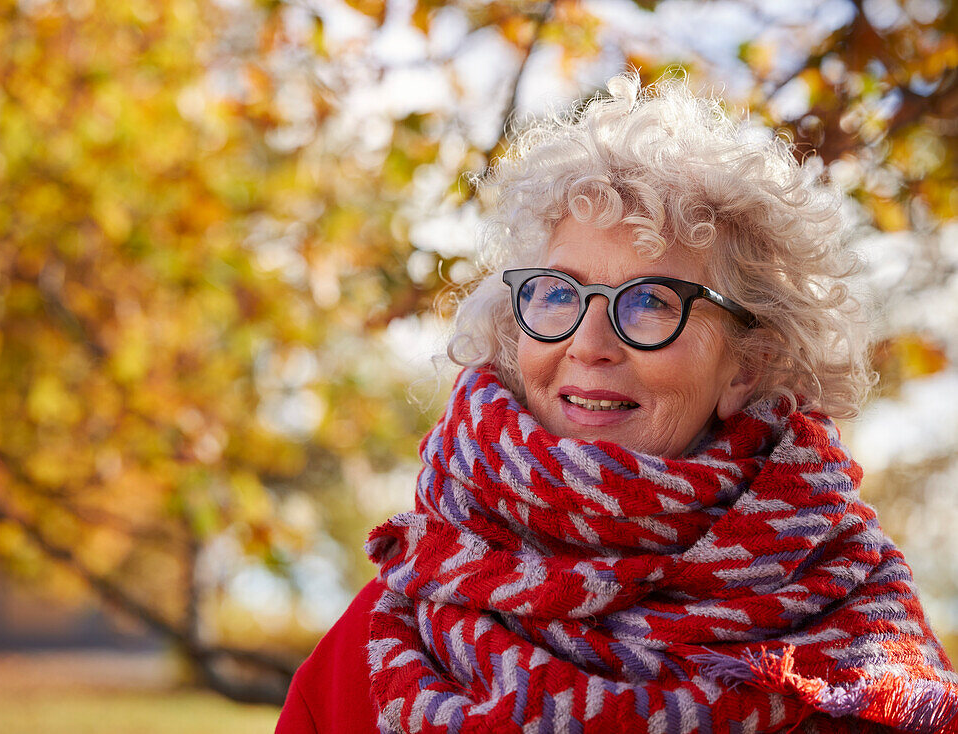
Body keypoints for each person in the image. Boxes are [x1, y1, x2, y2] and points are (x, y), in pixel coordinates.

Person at [276, 73, 958, 733]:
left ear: (746, 368)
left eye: (653, 302)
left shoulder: (857, 626)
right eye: (558, 294)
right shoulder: (392, 628)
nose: (589, 342)